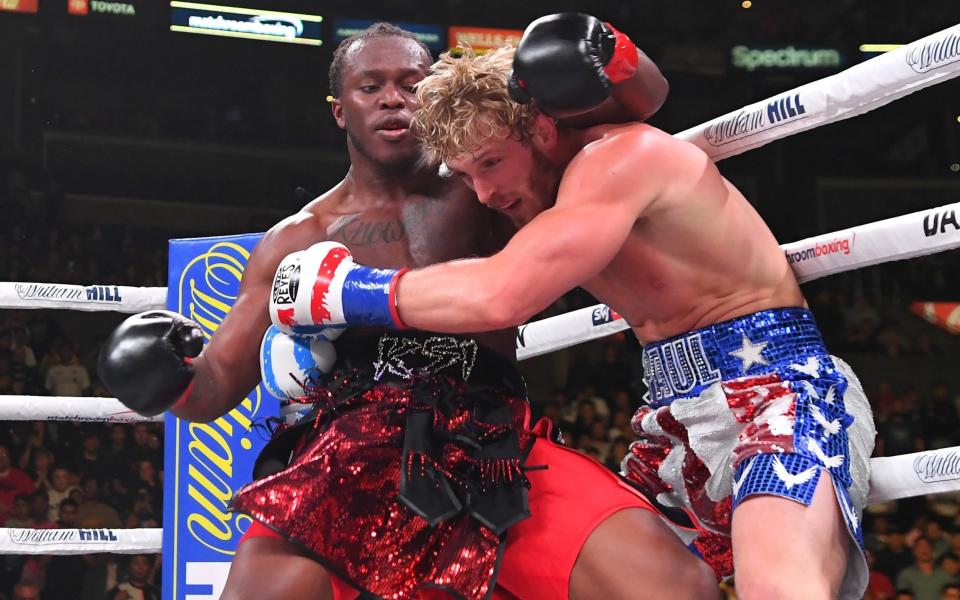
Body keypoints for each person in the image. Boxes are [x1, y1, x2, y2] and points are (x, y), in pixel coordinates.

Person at [99, 19, 717, 600]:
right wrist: (157, 371)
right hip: (346, 452)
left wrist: (607, 52)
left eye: (411, 84)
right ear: (341, 110)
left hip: (491, 442)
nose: (394, 99)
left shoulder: (489, 181)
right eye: (372, 87)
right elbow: (211, 387)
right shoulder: (299, 237)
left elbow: (637, 106)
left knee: (674, 586)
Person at [295, 33, 877, 599]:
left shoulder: (619, 160)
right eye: (467, 174)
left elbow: (501, 295)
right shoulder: (541, 198)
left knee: (777, 587)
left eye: (491, 163)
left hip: (778, 394)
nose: (483, 193)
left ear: (543, 127)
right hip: (673, 414)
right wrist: (313, 336)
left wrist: (347, 292)